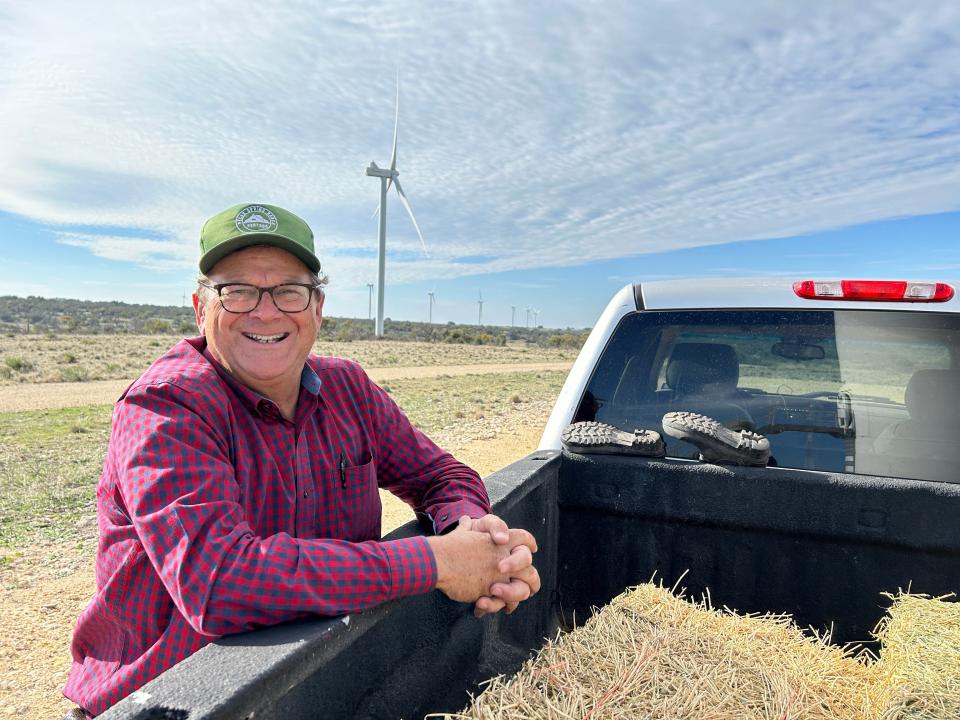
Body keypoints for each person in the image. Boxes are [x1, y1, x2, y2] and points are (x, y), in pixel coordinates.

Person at [63, 203, 540, 717]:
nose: (265, 312)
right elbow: (220, 583)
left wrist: (475, 535)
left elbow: (440, 475)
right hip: (173, 696)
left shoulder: (347, 389)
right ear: (201, 309)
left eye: (288, 291)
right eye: (237, 291)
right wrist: (439, 561)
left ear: (317, 308)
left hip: (318, 681)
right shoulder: (166, 407)